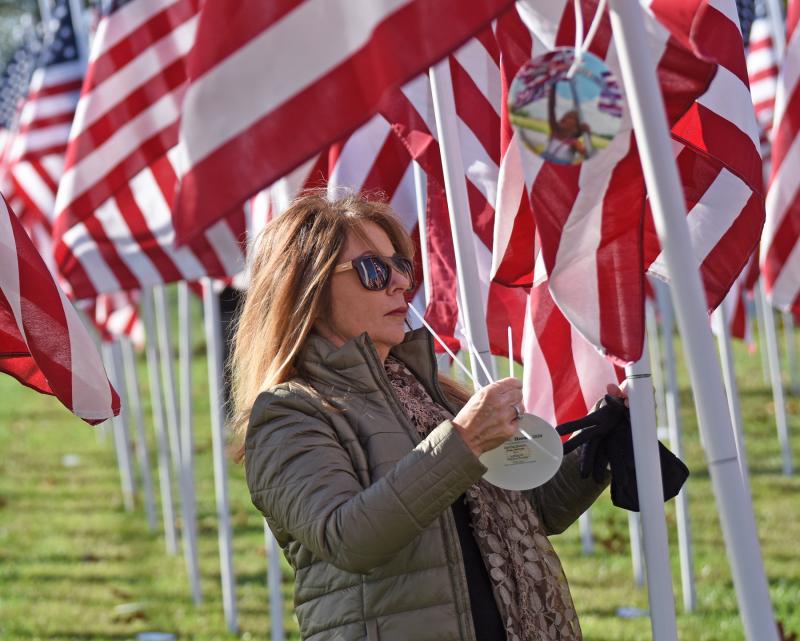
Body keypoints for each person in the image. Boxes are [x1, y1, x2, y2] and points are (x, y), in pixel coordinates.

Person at [230, 191, 624, 641]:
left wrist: (602, 443)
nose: (399, 283)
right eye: (372, 270)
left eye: (400, 266)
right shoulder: (289, 413)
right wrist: (464, 440)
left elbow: (530, 511)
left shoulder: (431, 391)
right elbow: (348, 538)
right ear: (310, 290)